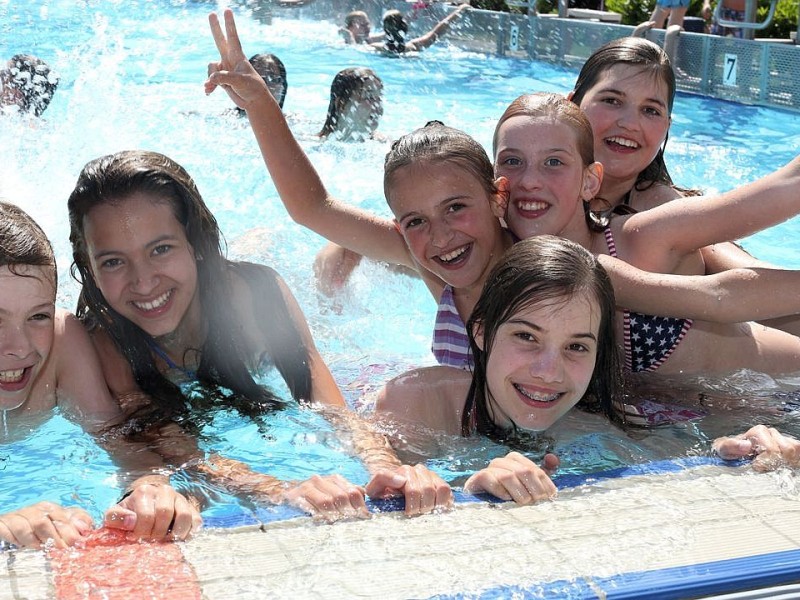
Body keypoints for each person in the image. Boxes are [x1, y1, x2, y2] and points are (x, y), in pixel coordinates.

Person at [67, 149, 452, 520]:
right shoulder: (103, 344)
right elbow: (177, 447)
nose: (143, 281)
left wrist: (382, 463)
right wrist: (278, 490)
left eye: (161, 249)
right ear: (88, 266)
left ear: (196, 243)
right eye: (114, 262)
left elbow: (325, 402)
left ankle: (331, 262)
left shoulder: (254, 295)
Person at [375, 237, 800, 503]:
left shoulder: (597, 424)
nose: (548, 371)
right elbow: (389, 492)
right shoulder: (412, 404)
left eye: (576, 346)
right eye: (526, 337)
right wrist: (467, 484)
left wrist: (737, 449)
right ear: (482, 333)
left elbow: (679, 463)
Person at [206, 8, 513, 370]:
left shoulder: (546, 266)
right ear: (399, 226)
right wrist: (258, 102)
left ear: (499, 198)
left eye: (456, 207)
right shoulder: (432, 265)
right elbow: (313, 207)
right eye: (415, 221)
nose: (441, 235)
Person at [493, 92, 800, 377]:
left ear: (589, 181)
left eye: (554, 162)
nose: (529, 180)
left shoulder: (641, 238)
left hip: (785, 392)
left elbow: (786, 188)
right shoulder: (489, 261)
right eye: (512, 161)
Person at [0, 199, 201, 548]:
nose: (20, 347)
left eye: (38, 316)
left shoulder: (63, 342)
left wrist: (149, 489)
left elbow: (119, 438)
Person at [372, 4, 470, 55]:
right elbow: (437, 32)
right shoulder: (413, 48)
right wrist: (459, 10)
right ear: (405, 29)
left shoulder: (374, 48)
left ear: (385, 30)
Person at [318, 67, 384, 142]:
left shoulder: (382, 143)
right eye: (369, 97)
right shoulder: (316, 145)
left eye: (380, 97)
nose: (378, 104)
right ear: (341, 103)